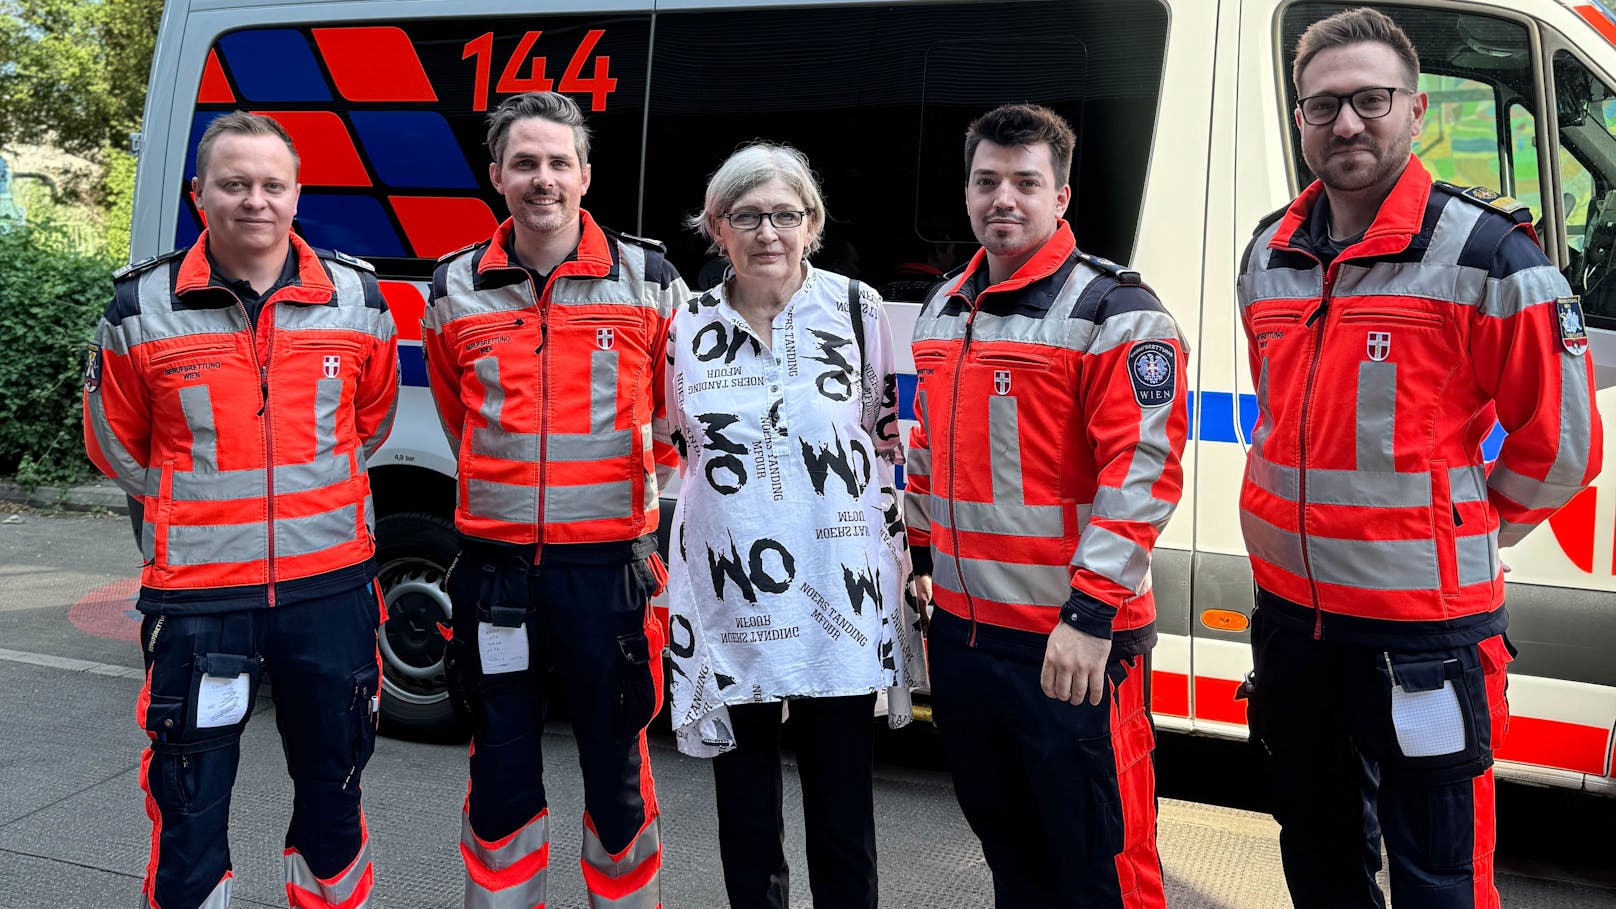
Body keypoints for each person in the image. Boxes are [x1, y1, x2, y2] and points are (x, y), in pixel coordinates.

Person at [1236, 8, 1602, 908]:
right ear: (1300, 121)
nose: (1347, 123)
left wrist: (1463, 528)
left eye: (1370, 99)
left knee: (1439, 875)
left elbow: (1561, 447)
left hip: (1424, 636)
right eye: (1324, 106)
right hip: (1295, 626)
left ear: (1417, 110)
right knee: (1317, 855)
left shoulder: (1491, 256)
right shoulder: (1268, 252)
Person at [83, 111, 398, 909]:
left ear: (296, 195)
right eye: (234, 183)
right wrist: (197, 511)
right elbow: (116, 443)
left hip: (329, 591)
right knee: (187, 811)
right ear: (200, 195)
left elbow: (370, 422)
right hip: (198, 601)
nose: (254, 200)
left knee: (335, 793)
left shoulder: (357, 297)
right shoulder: (140, 307)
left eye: (271, 184)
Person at [905, 103, 1186, 909]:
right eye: (988, 180)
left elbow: (1143, 474)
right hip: (964, 639)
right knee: (1013, 854)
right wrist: (920, 557)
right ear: (966, 192)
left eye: (1027, 183)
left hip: (1073, 646)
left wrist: (1091, 616)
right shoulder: (943, 310)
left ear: (1061, 197)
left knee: (1104, 861)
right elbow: (930, 451)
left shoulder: (1115, 311)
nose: (1005, 198)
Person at [419, 91, 685, 909]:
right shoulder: (454, 285)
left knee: (618, 774)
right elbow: (457, 412)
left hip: (609, 575)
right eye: (525, 163)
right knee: (499, 771)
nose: (544, 179)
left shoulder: (650, 278)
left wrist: (623, 513)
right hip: (495, 575)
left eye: (559, 162)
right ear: (496, 175)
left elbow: (677, 420)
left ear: (586, 175)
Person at [665, 142, 927, 909]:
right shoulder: (684, 325)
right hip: (729, 597)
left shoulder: (857, 309)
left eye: (785, 214)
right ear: (717, 229)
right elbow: (680, 440)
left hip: (835, 597)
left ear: (811, 223)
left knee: (843, 813)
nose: (767, 232)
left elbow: (883, 440)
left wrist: (903, 560)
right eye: (746, 216)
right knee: (745, 818)